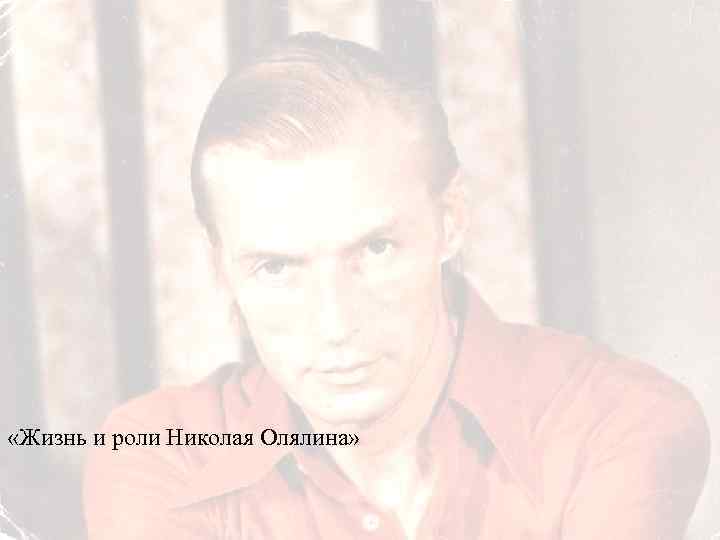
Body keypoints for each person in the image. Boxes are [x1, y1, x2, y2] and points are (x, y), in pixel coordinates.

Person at [83, 33, 710, 539]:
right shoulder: (159, 453)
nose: (335, 324)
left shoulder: (614, 420)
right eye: (276, 268)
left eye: (375, 250)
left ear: (450, 220)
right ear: (220, 268)